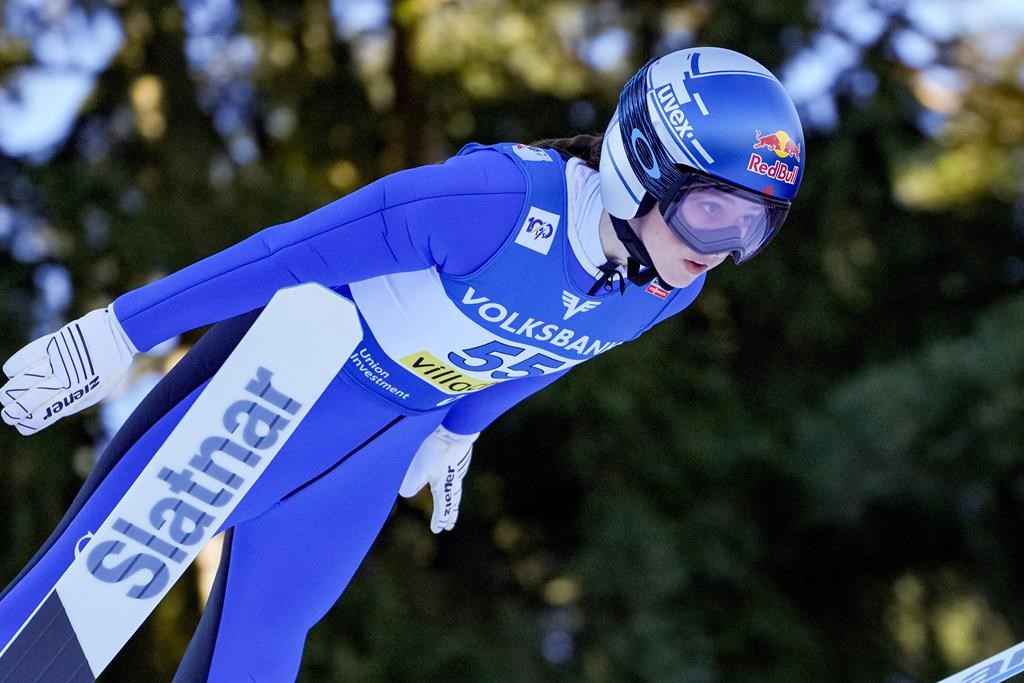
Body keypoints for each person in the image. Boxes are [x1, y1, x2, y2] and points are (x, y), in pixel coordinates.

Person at [0, 46, 804, 680]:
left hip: (372, 453)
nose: (724, 252)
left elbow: (559, 349)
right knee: (69, 599)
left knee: (262, 645)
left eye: (753, 228)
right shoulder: (490, 203)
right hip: (280, 387)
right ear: (641, 167)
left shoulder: (661, 290)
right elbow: (287, 253)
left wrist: (459, 430)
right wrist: (119, 331)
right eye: (713, 215)